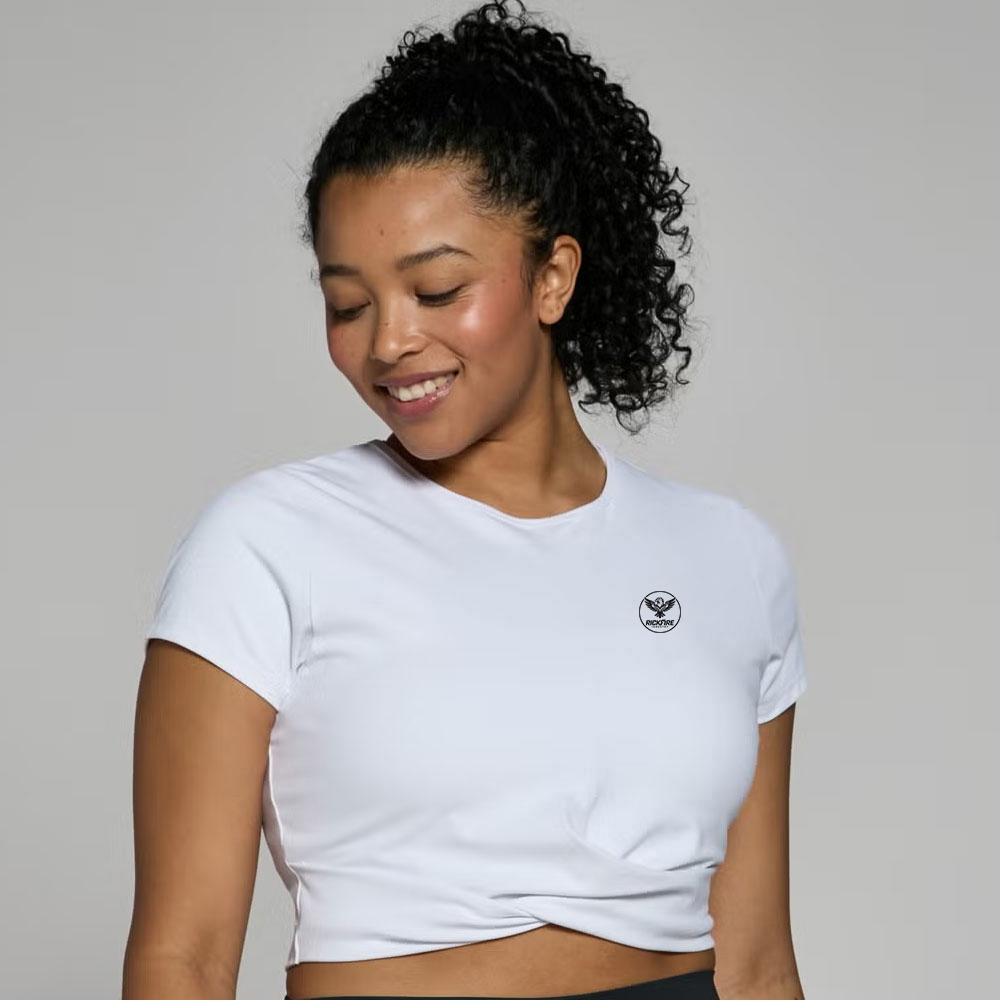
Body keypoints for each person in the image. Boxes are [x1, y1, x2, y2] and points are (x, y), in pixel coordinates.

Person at [123, 3, 809, 999]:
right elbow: (180, 958)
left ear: (552, 278)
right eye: (348, 303)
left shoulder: (730, 557)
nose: (388, 341)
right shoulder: (267, 544)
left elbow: (756, 965)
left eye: (436, 291)